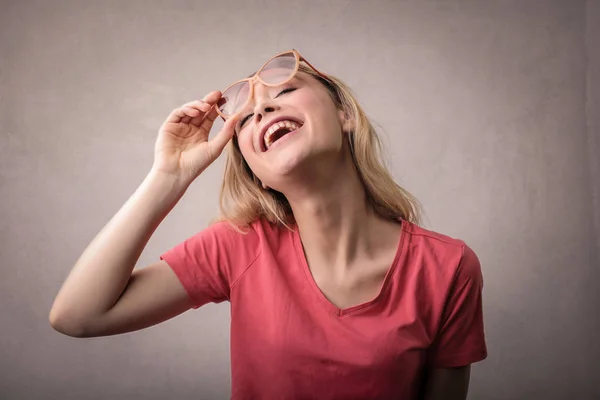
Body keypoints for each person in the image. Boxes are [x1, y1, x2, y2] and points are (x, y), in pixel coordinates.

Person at [50, 49, 487, 399]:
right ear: (257, 171)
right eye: (245, 116)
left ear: (345, 115)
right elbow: (78, 316)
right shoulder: (238, 246)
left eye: (287, 88)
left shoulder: (448, 267)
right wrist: (169, 176)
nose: (261, 107)